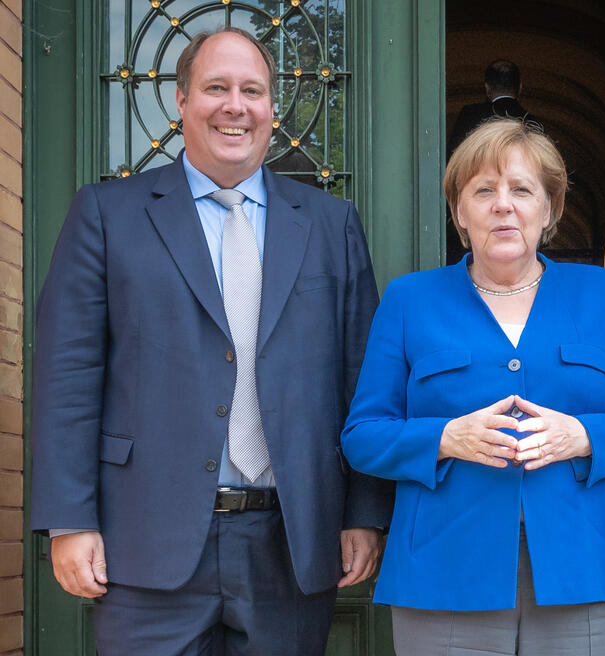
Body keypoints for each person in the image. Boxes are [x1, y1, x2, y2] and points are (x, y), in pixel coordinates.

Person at [29, 27, 393, 655]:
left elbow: (363, 380)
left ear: (272, 108)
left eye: (252, 90)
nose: (235, 106)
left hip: (292, 540)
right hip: (143, 540)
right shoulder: (106, 214)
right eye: (216, 88)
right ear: (181, 100)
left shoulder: (332, 225)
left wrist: (363, 512)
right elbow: (68, 377)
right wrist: (70, 518)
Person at [341, 118, 605, 656]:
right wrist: (445, 437)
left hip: (583, 565)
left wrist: (580, 435)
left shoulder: (603, 293)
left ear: (550, 209)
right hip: (444, 569)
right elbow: (363, 435)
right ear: (459, 212)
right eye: (484, 191)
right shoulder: (409, 301)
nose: (503, 205)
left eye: (522, 189)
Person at [446, 59, 535, 159]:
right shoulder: (532, 122)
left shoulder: (470, 114)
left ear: (487, 88)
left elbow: (453, 158)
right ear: (520, 88)